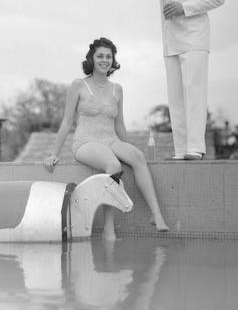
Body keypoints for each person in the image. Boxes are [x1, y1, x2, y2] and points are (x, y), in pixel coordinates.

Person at [43, 37, 169, 240]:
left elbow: (119, 125)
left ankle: (156, 215)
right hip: (85, 142)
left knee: (137, 156)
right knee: (113, 165)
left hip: (111, 139)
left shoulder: (117, 89)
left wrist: (126, 147)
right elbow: (67, 122)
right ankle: (108, 229)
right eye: (100, 56)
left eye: (108, 56)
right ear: (92, 59)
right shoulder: (78, 85)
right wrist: (53, 154)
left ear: (113, 60)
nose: (105, 60)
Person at [159, 0, 225, 160]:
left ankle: (195, 147)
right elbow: (164, 14)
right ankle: (180, 150)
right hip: (172, 42)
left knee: (194, 94)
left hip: (194, 38)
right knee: (175, 100)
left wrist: (185, 8)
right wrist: (165, 46)